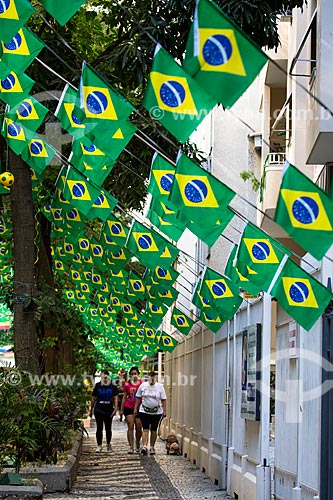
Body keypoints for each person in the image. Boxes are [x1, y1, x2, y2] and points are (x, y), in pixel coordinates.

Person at [134, 370, 166, 456]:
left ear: (155, 378)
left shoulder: (160, 387)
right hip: (144, 410)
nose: (151, 379)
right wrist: (136, 408)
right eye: (150, 376)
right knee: (145, 428)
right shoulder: (143, 386)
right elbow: (138, 397)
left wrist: (164, 411)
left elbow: (163, 399)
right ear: (148, 377)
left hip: (156, 412)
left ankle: (152, 446)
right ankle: (144, 446)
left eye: (153, 377)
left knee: (154, 429)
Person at [89, 370, 118, 452]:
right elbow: (93, 398)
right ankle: (99, 445)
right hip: (99, 409)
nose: (104, 379)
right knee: (99, 428)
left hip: (109, 410)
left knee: (108, 428)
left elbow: (115, 397)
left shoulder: (113, 386)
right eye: (102, 377)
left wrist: (115, 408)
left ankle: (108, 444)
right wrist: (91, 410)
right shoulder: (98, 386)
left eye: (105, 377)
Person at [120, 366, 143, 454]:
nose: (134, 375)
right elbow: (124, 397)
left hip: (139, 408)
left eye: (135, 374)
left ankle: (137, 443)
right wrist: (121, 410)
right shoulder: (127, 384)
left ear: (138, 374)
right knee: (130, 425)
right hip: (128, 407)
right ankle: (131, 446)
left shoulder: (142, 384)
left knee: (138, 426)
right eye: (132, 374)